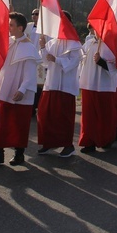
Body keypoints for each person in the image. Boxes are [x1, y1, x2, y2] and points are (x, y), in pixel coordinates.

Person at [0, 12, 40, 167]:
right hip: (4, 89)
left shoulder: (29, 47)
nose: (8, 28)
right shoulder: (7, 42)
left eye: (11, 25)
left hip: (19, 92)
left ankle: (19, 154)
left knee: (18, 124)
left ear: (20, 28)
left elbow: (30, 73)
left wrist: (22, 89)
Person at [37, 11, 82, 158]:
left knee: (63, 117)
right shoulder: (53, 42)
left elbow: (73, 63)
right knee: (46, 114)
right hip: (51, 83)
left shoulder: (74, 44)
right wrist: (43, 48)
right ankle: (48, 142)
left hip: (65, 86)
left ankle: (67, 145)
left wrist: (56, 59)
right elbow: (44, 62)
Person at [78, 26, 117, 152]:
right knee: (89, 115)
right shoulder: (89, 43)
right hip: (89, 84)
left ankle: (105, 139)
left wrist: (101, 61)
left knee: (104, 114)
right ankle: (89, 141)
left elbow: (116, 65)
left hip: (104, 85)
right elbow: (82, 60)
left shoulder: (110, 44)